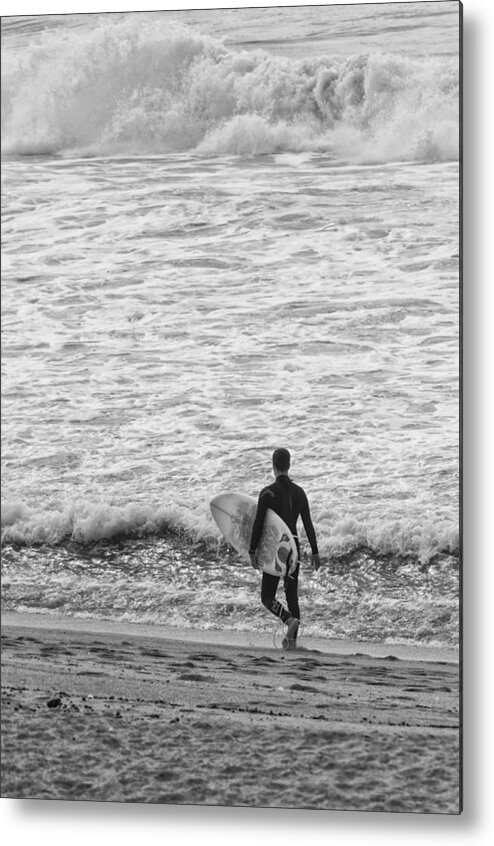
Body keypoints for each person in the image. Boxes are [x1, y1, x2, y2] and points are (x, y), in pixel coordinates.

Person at [249, 448, 320, 649]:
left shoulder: (267, 493)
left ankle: (288, 619)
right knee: (291, 595)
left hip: (275, 548)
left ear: (273, 466)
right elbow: (308, 524)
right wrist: (315, 551)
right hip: (293, 548)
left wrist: (252, 550)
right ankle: (292, 641)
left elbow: (258, 523)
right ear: (289, 465)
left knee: (267, 596)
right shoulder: (299, 493)